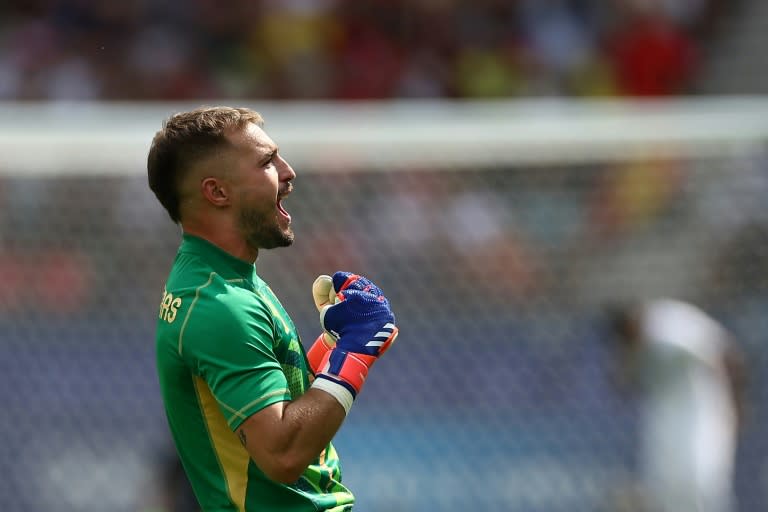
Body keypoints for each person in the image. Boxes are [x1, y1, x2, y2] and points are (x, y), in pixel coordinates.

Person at [147, 106, 399, 511]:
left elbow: (278, 397)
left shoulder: (225, 278)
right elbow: (281, 454)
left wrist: (335, 349)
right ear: (218, 192)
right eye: (267, 161)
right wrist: (354, 354)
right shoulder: (220, 306)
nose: (288, 171)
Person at [607, 299, 746, 512]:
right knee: (666, 486)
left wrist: (733, 404)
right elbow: (624, 383)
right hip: (665, 419)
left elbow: (724, 354)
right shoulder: (636, 344)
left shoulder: (672, 324)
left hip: (702, 414)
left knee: (703, 480)